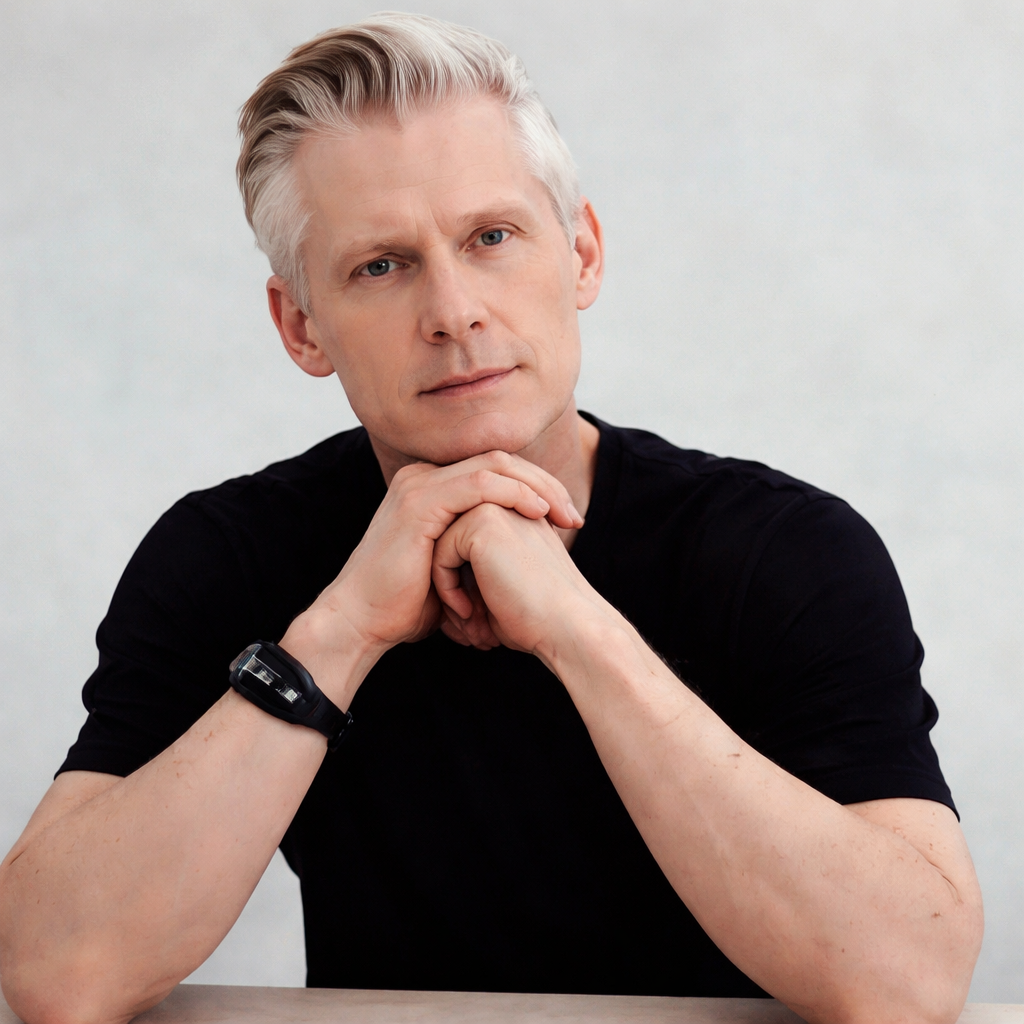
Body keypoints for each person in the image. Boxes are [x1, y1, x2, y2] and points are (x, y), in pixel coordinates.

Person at [0, 14, 983, 1024]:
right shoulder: (227, 556)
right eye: (381, 265)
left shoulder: (786, 551)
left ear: (582, 254)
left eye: (491, 238)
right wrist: (340, 632)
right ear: (301, 326)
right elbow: (59, 973)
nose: (454, 310)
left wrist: (578, 629)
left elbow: (906, 982)